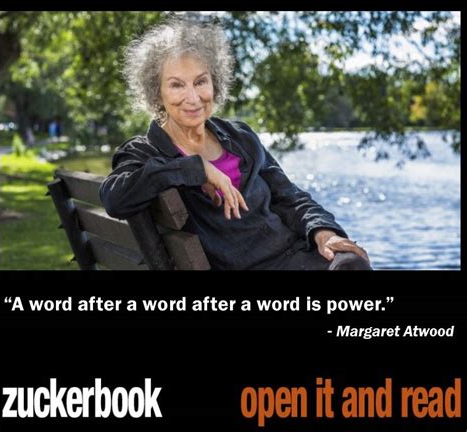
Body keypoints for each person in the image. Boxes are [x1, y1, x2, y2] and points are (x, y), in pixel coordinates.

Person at [99, 17, 371, 271]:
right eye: (176, 85)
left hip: (296, 255)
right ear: (156, 93)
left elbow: (290, 197)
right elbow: (114, 198)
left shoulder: (240, 136)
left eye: (201, 81)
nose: (193, 97)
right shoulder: (144, 151)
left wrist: (322, 232)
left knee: (351, 262)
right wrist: (197, 170)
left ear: (214, 84)